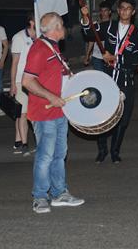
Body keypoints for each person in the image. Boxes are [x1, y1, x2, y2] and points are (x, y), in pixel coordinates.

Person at [21, 12, 84, 214]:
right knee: (45, 156)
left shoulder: (53, 48)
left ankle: (59, 193)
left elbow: (51, 77)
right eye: (63, 25)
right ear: (57, 27)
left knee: (59, 155)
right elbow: (27, 81)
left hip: (58, 111)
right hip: (43, 112)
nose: (64, 29)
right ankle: (39, 197)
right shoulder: (39, 48)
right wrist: (50, 97)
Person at [81, 0, 138, 163]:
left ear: (133, 12)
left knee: (123, 118)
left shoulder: (137, 33)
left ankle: (115, 151)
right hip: (107, 79)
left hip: (126, 80)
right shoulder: (108, 26)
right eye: (121, 8)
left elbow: (135, 60)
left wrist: (115, 58)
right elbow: (89, 33)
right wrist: (86, 18)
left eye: (128, 8)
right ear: (118, 10)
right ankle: (102, 150)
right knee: (103, 115)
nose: (124, 11)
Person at [10, 13, 36, 155]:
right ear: (32, 22)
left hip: (36, 81)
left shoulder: (39, 37)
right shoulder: (19, 38)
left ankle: (18, 141)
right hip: (22, 80)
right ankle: (24, 144)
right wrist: (13, 83)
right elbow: (14, 63)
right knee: (23, 113)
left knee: (23, 113)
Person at [83, 1, 112, 72]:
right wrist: (87, 55)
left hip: (110, 56)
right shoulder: (96, 25)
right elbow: (91, 40)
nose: (103, 13)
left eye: (105, 11)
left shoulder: (114, 26)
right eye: (102, 11)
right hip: (97, 57)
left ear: (109, 12)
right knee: (100, 80)